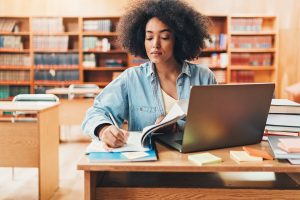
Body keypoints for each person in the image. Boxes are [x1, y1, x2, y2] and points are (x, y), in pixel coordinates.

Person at [82, 0, 217, 149]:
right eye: (149, 37)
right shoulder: (132, 78)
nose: (155, 44)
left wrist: (176, 127)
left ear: (178, 40)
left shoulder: (204, 77)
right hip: (147, 165)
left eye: (164, 37)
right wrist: (103, 129)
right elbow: (96, 112)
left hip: (195, 163)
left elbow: (216, 125)